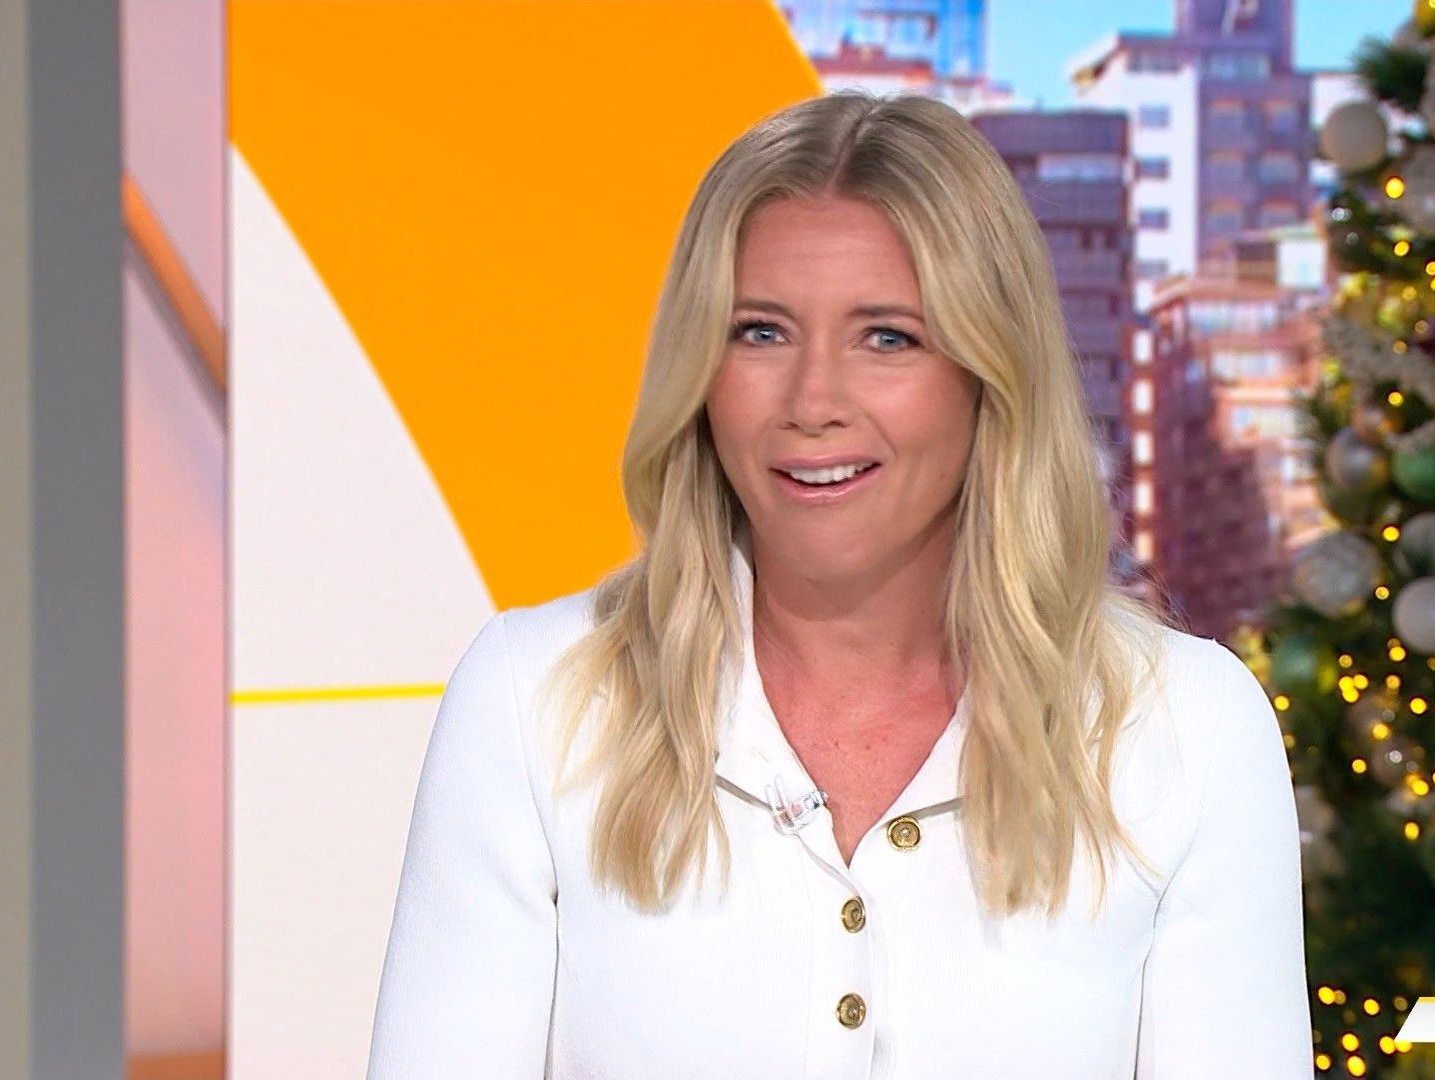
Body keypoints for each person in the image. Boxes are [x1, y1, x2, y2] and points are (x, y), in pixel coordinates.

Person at [366, 90, 1310, 1079]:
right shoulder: (535, 699)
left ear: (991, 374)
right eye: (760, 332)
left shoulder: (1188, 726)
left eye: (887, 337)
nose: (813, 401)